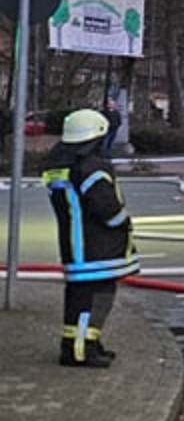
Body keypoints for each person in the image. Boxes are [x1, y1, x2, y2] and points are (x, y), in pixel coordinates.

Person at [41, 108, 139, 369]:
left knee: (80, 298)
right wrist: (123, 221)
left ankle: (84, 343)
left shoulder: (61, 166)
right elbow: (107, 208)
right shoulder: (91, 168)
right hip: (97, 247)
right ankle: (80, 350)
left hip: (77, 246)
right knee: (93, 299)